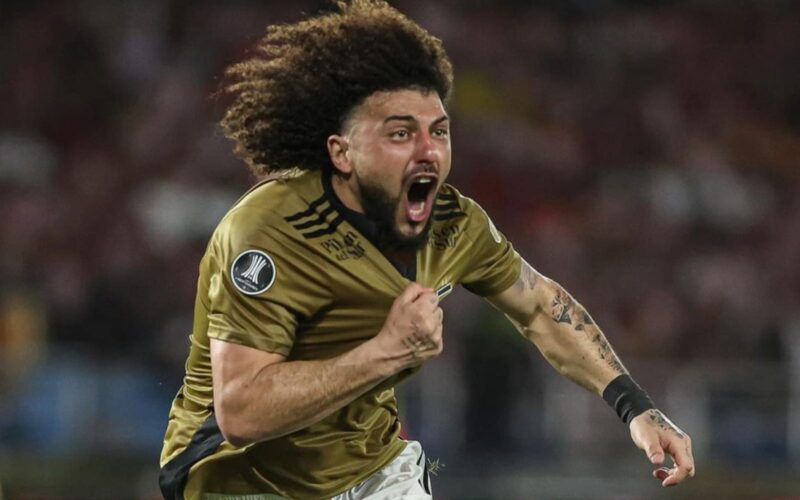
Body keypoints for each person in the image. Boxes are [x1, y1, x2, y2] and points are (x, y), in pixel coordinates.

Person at [158, 1, 696, 498]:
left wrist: (637, 409)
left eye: (439, 131)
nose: (429, 151)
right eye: (400, 134)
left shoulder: (454, 226)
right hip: (235, 474)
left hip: (368, 470)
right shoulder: (268, 233)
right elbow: (241, 411)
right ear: (342, 153)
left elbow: (539, 306)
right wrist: (384, 352)